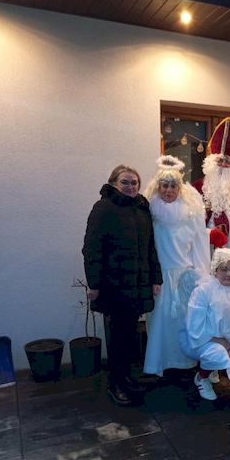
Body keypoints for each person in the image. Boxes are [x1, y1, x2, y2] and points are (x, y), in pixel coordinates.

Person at [82, 164, 162, 406]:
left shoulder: (142, 209)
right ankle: (115, 384)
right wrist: (94, 284)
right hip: (113, 286)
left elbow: (150, 248)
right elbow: (91, 249)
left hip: (137, 285)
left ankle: (126, 378)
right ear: (114, 183)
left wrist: (155, 278)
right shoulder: (103, 208)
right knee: (117, 337)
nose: (130, 186)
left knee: (129, 336)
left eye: (134, 182)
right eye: (125, 182)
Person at [143, 155, 210, 377]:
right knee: (160, 322)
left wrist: (201, 274)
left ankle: (184, 362)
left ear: (179, 188)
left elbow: (199, 245)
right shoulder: (150, 214)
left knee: (183, 321)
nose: (169, 190)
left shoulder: (190, 214)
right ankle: (160, 363)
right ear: (158, 187)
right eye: (165, 185)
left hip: (184, 277)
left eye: (173, 186)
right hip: (160, 277)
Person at [181, 248, 230, 405]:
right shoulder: (203, 291)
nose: (229, 274)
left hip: (229, 343)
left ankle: (211, 369)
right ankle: (202, 377)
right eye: (224, 269)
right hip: (203, 340)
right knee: (218, 355)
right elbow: (195, 326)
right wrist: (222, 342)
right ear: (215, 270)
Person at [192, 117, 230, 253]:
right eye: (220, 161)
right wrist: (208, 234)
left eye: (228, 162)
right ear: (211, 163)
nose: (224, 165)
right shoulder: (196, 189)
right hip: (206, 253)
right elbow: (188, 226)